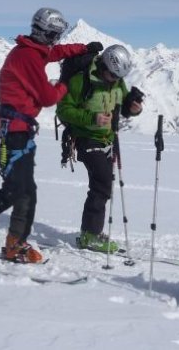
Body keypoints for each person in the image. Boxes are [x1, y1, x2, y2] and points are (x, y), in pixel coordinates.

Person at [0, 8, 102, 265]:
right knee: (14, 189)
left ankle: (15, 244)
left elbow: (56, 52)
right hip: (12, 131)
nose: (55, 39)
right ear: (42, 31)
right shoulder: (28, 57)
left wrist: (82, 48)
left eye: (58, 35)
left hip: (22, 129)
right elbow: (48, 97)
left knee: (27, 191)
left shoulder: (35, 51)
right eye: (53, 34)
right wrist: (67, 77)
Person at [56, 44, 143, 253]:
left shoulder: (116, 81)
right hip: (85, 138)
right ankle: (90, 235)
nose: (114, 80)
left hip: (107, 138)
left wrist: (132, 107)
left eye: (117, 77)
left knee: (103, 185)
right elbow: (63, 110)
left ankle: (92, 231)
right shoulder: (80, 81)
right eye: (112, 75)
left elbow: (122, 102)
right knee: (102, 184)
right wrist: (92, 118)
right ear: (104, 64)